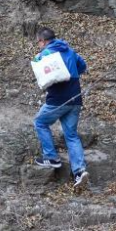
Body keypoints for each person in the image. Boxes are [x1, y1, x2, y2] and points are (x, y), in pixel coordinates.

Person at [32, 27, 88, 187]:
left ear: (42, 41)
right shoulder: (69, 50)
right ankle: (80, 171)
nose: (39, 45)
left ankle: (51, 157)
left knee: (40, 122)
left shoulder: (45, 54)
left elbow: (40, 73)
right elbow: (83, 66)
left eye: (38, 42)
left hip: (58, 99)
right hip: (76, 98)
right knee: (71, 135)